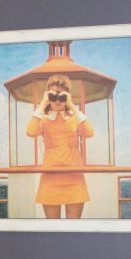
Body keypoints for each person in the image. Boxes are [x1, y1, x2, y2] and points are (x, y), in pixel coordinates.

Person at [26, 74, 94, 219]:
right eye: (53, 95)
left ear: (68, 96)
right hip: (50, 179)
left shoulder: (75, 118)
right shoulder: (43, 119)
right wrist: (43, 104)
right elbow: (30, 132)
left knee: (73, 229)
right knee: (53, 229)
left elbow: (89, 132)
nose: (57, 100)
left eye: (62, 95)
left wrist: (73, 107)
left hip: (74, 178)